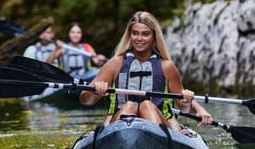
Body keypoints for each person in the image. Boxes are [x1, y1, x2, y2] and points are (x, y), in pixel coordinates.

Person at [79, 11, 212, 131]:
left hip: (159, 121)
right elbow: (85, 100)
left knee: (146, 105)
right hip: (120, 125)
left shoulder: (166, 67)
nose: (139, 39)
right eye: (135, 33)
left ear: (154, 37)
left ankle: (156, 138)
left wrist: (191, 103)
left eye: (145, 34)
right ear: (129, 35)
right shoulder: (115, 63)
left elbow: (183, 108)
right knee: (129, 106)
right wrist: (96, 91)